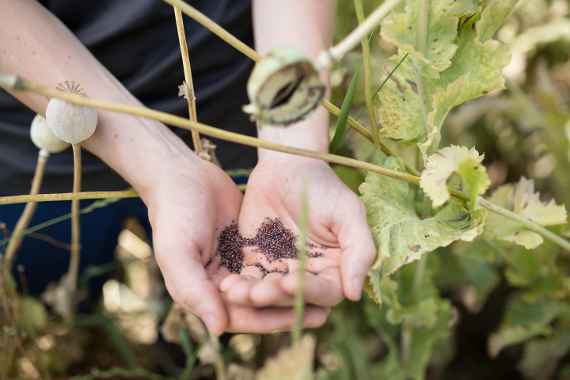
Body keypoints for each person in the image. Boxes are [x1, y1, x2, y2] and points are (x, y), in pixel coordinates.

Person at [0, 0, 375, 335]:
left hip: (236, 110)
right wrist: (159, 165)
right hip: (36, 130)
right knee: (52, 302)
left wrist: (294, 152)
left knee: (206, 300)